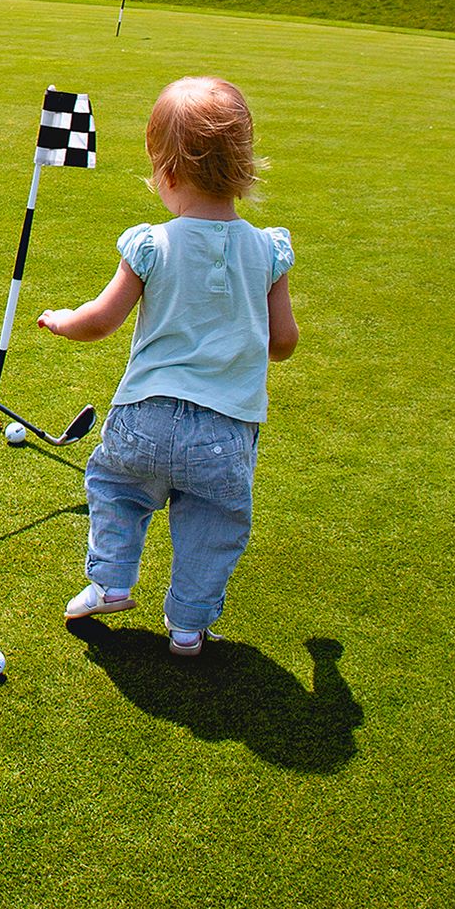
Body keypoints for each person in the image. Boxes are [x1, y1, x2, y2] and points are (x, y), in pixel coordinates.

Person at [35, 76, 296, 653]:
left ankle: (108, 581)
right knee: (212, 524)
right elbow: (283, 342)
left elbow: (100, 320)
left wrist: (60, 318)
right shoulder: (269, 250)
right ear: (245, 168)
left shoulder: (152, 244)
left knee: (115, 487)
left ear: (168, 174)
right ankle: (188, 624)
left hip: (144, 417)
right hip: (227, 431)